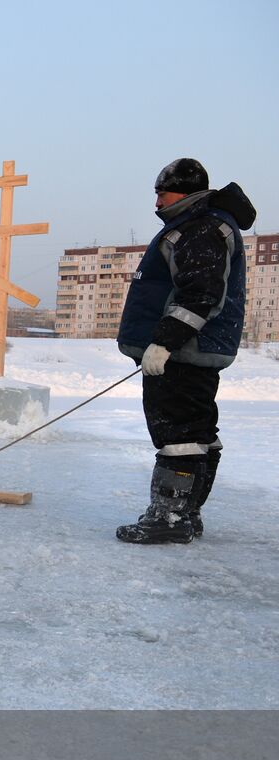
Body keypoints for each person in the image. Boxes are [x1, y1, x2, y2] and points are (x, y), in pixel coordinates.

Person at [115, 158, 256, 544]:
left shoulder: (200, 228)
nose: (157, 201)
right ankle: (185, 514)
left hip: (182, 352)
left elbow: (201, 293)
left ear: (186, 191)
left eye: (163, 191)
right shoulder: (195, 225)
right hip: (189, 351)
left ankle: (169, 519)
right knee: (196, 431)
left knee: (178, 434)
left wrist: (164, 342)